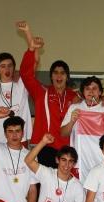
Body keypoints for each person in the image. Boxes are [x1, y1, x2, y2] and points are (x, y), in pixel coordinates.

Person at [18, 23, 79, 168]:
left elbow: (92, 107)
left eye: (62, 73)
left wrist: (103, 100)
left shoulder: (74, 97)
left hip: (67, 150)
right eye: (55, 73)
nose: (59, 76)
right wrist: (31, 48)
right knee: (44, 189)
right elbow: (26, 75)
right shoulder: (41, 92)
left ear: (67, 76)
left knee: (64, 188)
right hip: (44, 146)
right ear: (51, 76)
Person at [0, 52, 32, 145]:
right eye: (3, 66)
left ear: (14, 67)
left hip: (19, 137)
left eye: (10, 65)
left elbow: (31, 64)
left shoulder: (22, 86)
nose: (7, 69)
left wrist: (32, 48)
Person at [61, 76, 104, 140]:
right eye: (87, 88)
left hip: (102, 149)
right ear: (83, 92)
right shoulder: (74, 108)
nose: (91, 91)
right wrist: (71, 122)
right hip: (79, 149)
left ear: (100, 92)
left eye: (94, 88)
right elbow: (63, 134)